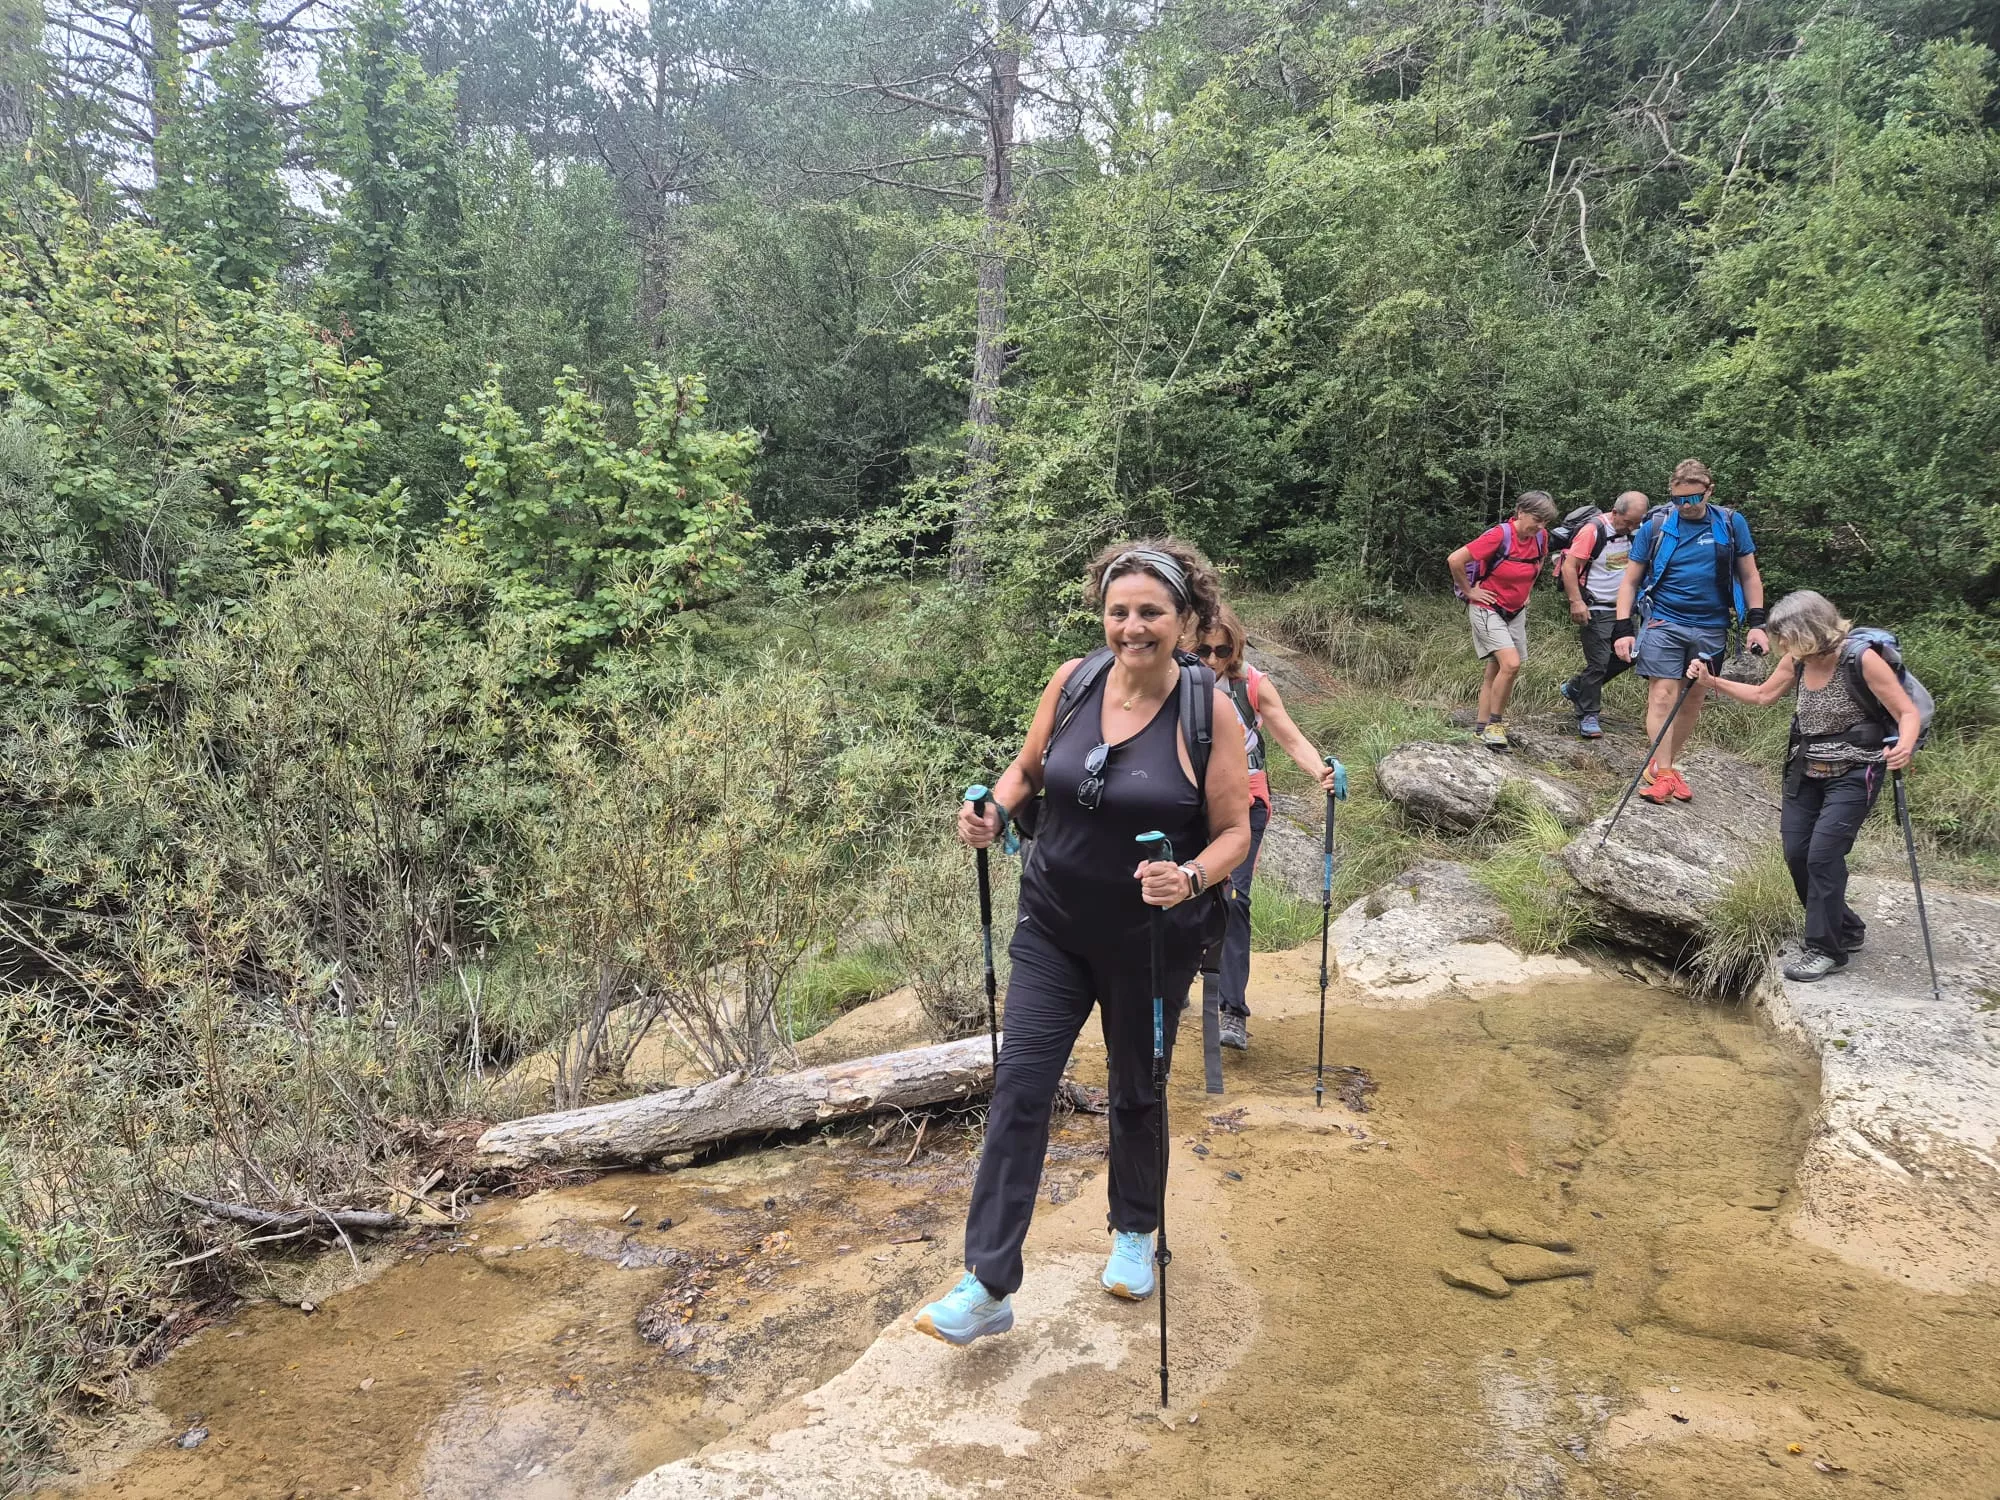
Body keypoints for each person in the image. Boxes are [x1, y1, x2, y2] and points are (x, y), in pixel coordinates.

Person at [912, 539, 1251, 1346]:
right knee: (1020, 1090)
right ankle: (988, 1283)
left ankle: (1136, 1230)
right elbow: (1026, 774)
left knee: (1137, 1090)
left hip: (1151, 941)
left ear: (1184, 618)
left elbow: (1235, 831)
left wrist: (1193, 877)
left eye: (1150, 613)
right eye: (1118, 611)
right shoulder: (1072, 681)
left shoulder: (1212, 711)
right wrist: (988, 810)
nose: (1132, 628)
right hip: (1053, 927)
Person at [1688, 591, 1921, 981]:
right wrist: (1713, 682)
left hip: (1854, 771)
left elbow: (1906, 712)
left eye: (1786, 636)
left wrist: (1906, 744)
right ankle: (1845, 928)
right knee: (1797, 853)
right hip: (1806, 768)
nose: (1782, 645)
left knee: (1822, 856)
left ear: (1809, 631)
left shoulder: (1860, 659)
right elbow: (1763, 695)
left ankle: (1825, 949)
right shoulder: (1797, 659)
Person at [1193, 602, 1340, 1053]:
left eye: (1222, 650)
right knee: (1182, 891)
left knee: (1235, 898)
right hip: (1187, 801)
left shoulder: (1250, 685)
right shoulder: (1174, 681)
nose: (1213, 659)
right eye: (1203, 650)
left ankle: (1232, 1012)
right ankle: (1177, 982)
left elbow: (1290, 736)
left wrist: (1322, 772)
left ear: (1234, 649)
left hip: (1247, 801)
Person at [1611, 460, 1769, 802]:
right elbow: (1630, 580)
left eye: (1692, 499)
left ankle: (1663, 766)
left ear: (1709, 491)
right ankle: (1666, 773)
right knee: (1663, 694)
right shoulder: (1657, 523)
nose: (1685, 506)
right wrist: (1623, 628)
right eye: (1678, 499)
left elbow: (1750, 575)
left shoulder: (1730, 522)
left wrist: (1758, 624)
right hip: (1664, 620)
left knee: (1693, 697)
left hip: (1713, 625)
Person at [1447, 491, 1560, 750]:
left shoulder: (1540, 537)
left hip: (1515, 611)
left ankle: (1480, 728)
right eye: (1536, 519)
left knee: (1496, 670)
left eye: (1545, 521)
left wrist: (1526, 593)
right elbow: (1455, 559)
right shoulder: (1500, 535)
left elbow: (1537, 563)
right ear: (1520, 512)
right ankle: (1495, 725)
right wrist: (1469, 590)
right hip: (1488, 608)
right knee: (1511, 664)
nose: (1541, 526)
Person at [1557, 491, 1649, 739]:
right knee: (1598, 663)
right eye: (1627, 522)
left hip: (1624, 608)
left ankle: (1577, 687)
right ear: (1615, 511)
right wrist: (1576, 602)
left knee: (1632, 656)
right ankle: (1588, 715)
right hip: (1594, 606)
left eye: (1637, 523)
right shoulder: (1593, 530)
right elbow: (1569, 566)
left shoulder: (1637, 531)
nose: (1631, 527)